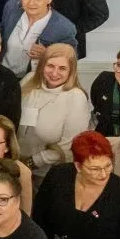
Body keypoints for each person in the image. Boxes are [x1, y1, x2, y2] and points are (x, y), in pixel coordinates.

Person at [18, 44, 94, 179]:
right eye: (50, 66)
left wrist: (31, 163)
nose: (54, 73)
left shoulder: (75, 97)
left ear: (71, 71)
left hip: (47, 174)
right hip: (16, 164)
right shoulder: (28, 80)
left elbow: (69, 144)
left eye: (62, 68)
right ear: (42, 65)